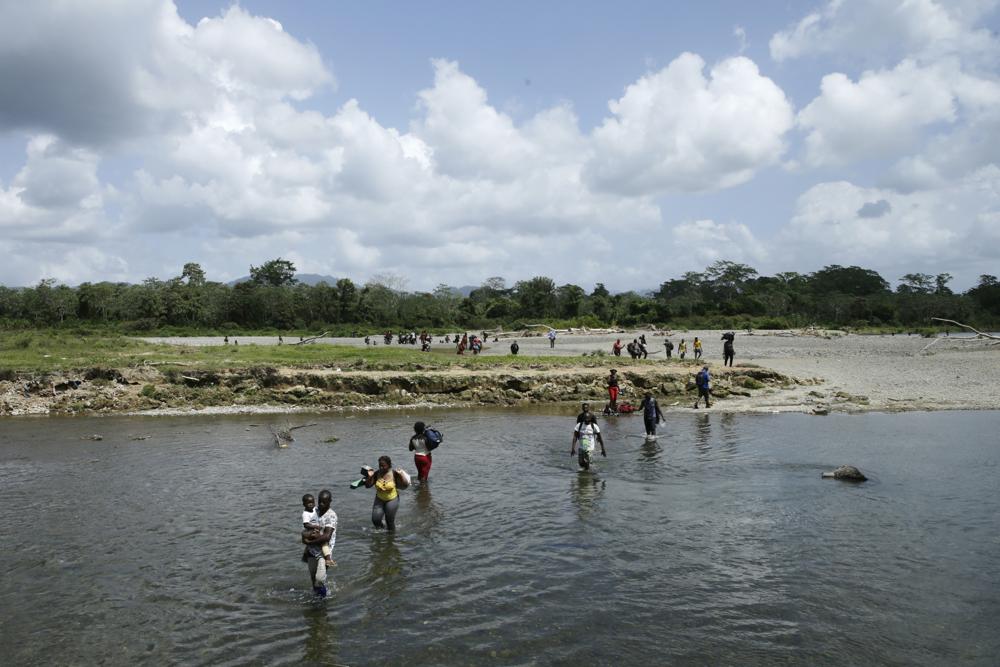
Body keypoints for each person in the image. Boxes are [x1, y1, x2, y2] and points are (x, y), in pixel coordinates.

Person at [301, 490, 337, 597]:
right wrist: (304, 538)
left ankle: (323, 600)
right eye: (320, 501)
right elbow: (304, 528)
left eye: (324, 502)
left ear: (330, 502)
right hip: (311, 551)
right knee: (313, 579)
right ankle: (317, 598)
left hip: (323, 553)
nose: (321, 504)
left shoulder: (331, 516)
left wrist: (310, 541)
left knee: (319, 579)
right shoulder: (313, 511)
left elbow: (326, 536)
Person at [364, 456, 407, 531]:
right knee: (375, 520)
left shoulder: (394, 473)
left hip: (392, 499)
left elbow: (404, 485)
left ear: (389, 465)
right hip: (379, 499)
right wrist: (370, 477)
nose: (381, 468)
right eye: (380, 465)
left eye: (383, 466)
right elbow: (367, 486)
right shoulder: (377, 473)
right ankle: (382, 531)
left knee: (389, 521)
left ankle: (391, 538)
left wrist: (401, 475)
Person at [301, 494, 334, 567]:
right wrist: (315, 526)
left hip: (315, 530)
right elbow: (306, 525)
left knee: (321, 543)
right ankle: (328, 559)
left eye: (312, 502)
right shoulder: (305, 514)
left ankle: (306, 555)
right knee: (323, 542)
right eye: (308, 503)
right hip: (310, 531)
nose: (311, 504)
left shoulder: (315, 509)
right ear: (304, 504)